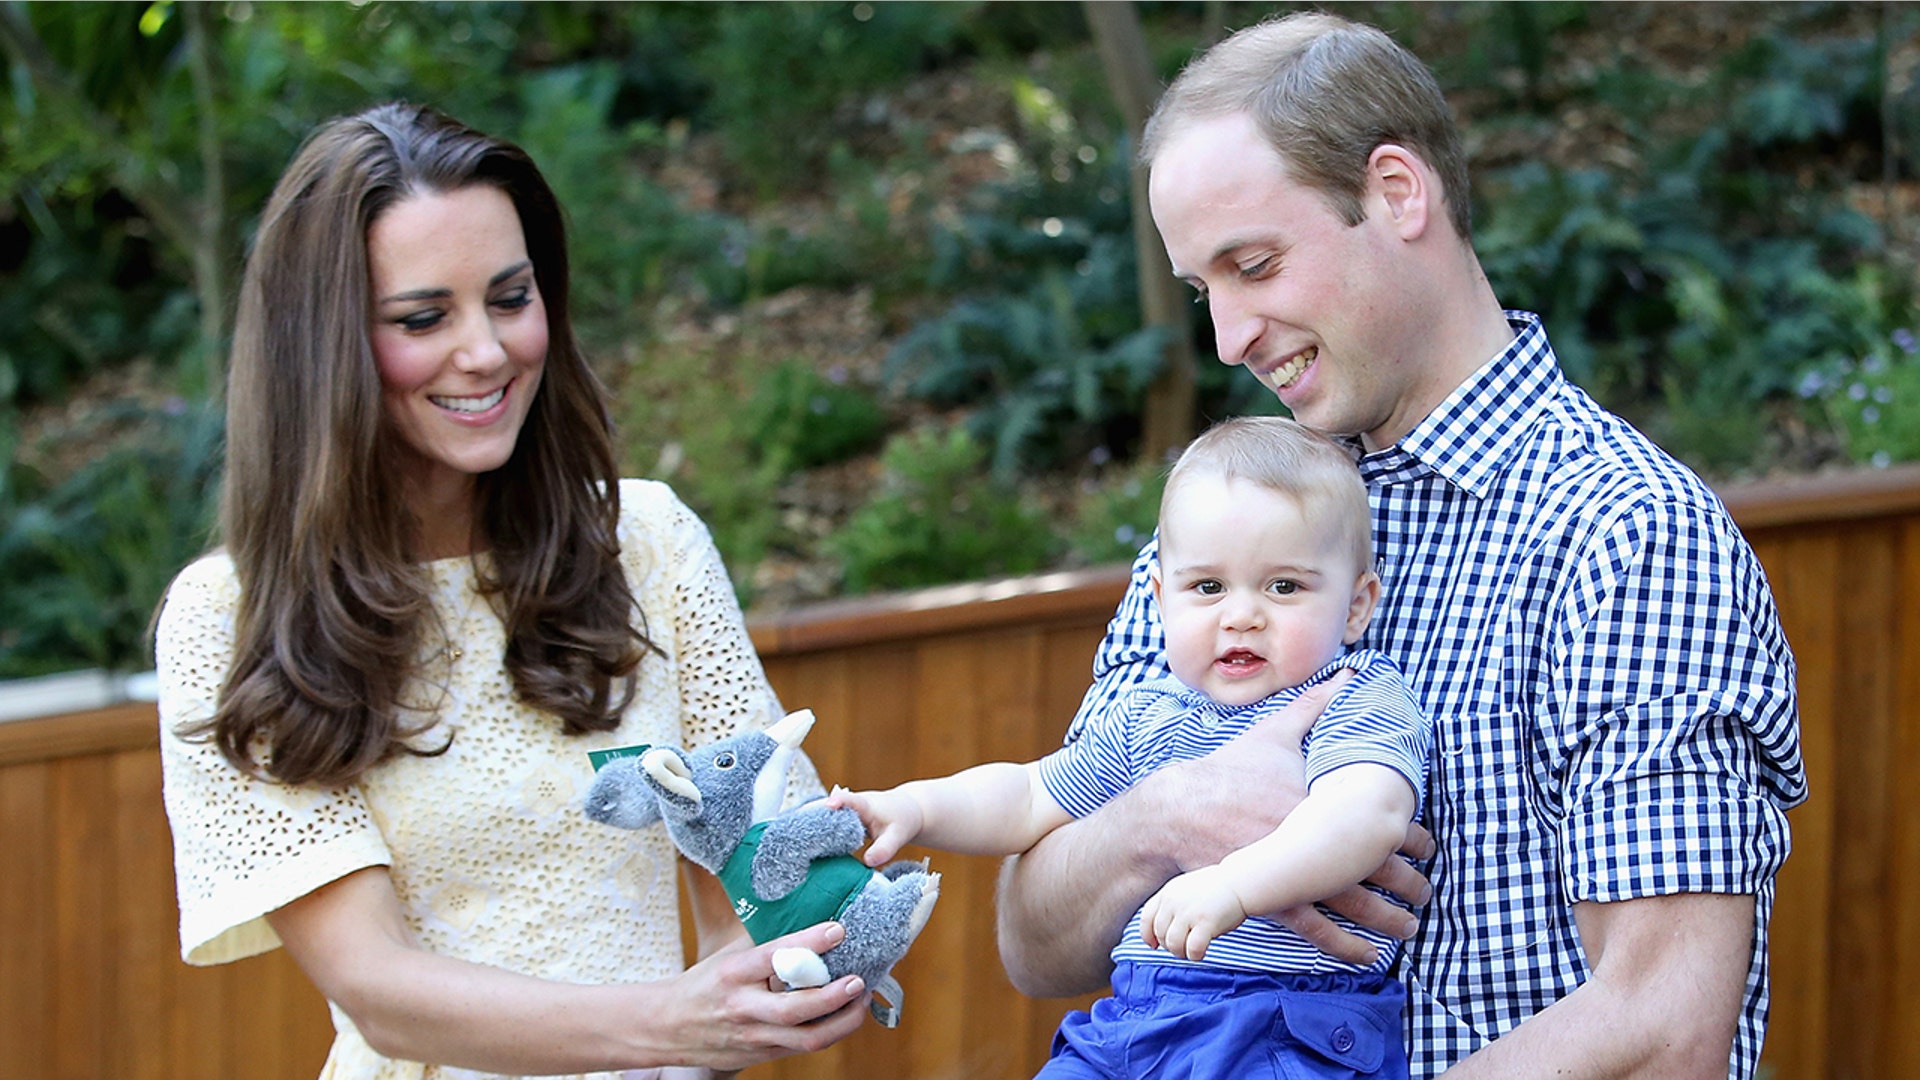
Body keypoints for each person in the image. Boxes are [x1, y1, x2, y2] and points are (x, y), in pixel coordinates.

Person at [994, 12, 1806, 1080]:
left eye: (1255, 264)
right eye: (1206, 292)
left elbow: (1664, 1024)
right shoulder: (1234, 524)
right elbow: (1031, 943)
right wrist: (1166, 815)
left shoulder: (1625, 534)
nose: (1229, 339)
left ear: (1397, 192)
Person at [154, 102, 870, 1080]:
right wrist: (672, 1022)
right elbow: (378, 988)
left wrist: (838, 909)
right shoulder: (230, 619)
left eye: (509, 296)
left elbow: (755, 871)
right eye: (422, 317)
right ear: (321, 348)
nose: (486, 351)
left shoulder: (646, 541)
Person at [833, 417, 1431, 1079]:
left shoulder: (1356, 695)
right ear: (1161, 601)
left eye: (1283, 586)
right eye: (1208, 587)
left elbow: (1363, 815)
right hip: (1136, 1020)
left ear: (1356, 605)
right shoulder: (1149, 713)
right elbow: (1030, 794)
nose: (1240, 615)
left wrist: (1236, 885)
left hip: (1287, 1026)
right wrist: (916, 807)